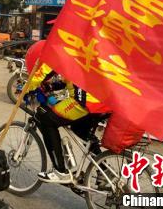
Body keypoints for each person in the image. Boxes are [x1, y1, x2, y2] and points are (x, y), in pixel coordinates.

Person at [24, 40, 110, 184]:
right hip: (101, 103)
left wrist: (26, 90)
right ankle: (104, 170)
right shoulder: (74, 50)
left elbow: (39, 75)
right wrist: (51, 86)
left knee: (44, 117)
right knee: (80, 131)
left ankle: (60, 171)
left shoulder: (54, 54)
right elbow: (68, 81)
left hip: (84, 102)